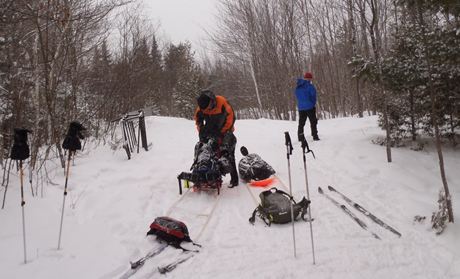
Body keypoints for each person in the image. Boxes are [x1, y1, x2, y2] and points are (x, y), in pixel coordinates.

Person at [195, 89, 239, 187]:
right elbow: (198, 120)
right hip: (210, 130)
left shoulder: (222, 103)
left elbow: (231, 120)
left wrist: (221, 133)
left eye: (208, 108)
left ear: (211, 101)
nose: (207, 110)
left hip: (225, 131)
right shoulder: (201, 107)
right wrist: (202, 131)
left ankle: (234, 179)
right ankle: (206, 172)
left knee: (227, 153)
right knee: (205, 150)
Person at [295, 72, 320, 141]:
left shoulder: (298, 86)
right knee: (313, 121)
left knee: (301, 123)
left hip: (301, 107)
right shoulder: (310, 86)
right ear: (310, 78)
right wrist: (312, 103)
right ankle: (315, 136)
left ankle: (300, 137)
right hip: (309, 106)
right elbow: (313, 96)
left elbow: (297, 95)